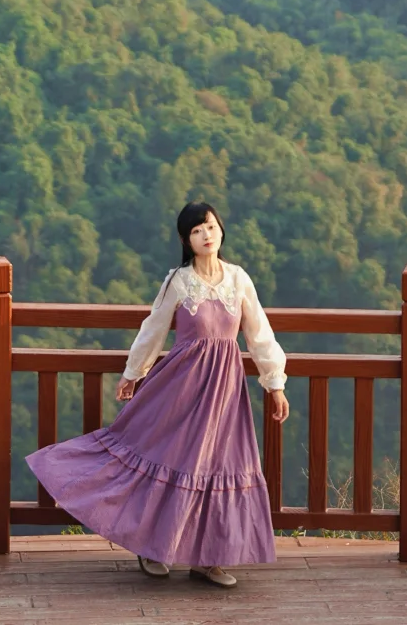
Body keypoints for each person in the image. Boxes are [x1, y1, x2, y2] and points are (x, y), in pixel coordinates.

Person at [26, 201, 289, 588]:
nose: (206, 235)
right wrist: (134, 373)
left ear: (221, 231)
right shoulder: (178, 281)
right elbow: (154, 329)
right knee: (167, 458)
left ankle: (209, 558)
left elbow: (260, 334)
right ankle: (150, 547)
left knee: (217, 465)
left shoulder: (238, 279)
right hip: (180, 388)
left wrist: (275, 384)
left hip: (225, 391)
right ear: (186, 239)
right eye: (197, 230)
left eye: (211, 227)